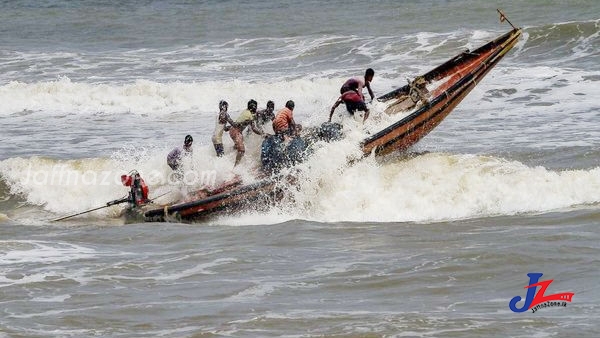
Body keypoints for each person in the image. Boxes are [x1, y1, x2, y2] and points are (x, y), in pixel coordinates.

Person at [229, 99, 264, 166]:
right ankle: (235, 167)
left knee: (237, 147)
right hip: (236, 132)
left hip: (233, 130)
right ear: (253, 107)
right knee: (242, 150)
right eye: (255, 107)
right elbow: (254, 128)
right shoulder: (249, 115)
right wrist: (262, 134)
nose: (256, 109)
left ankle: (229, 157)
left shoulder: (246, 112)